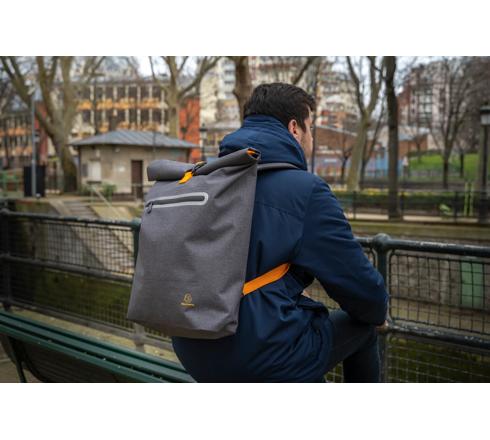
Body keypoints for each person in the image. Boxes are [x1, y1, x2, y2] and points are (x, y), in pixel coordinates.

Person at [172, 83, 389, 382]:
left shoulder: (208, 180)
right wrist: (378, 311)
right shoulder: (305, 191)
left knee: (301, 335)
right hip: (252, 355)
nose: (311, 138)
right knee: (362, 328)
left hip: (192, 345)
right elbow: (359, 286)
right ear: (295, 128)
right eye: (311, 128)